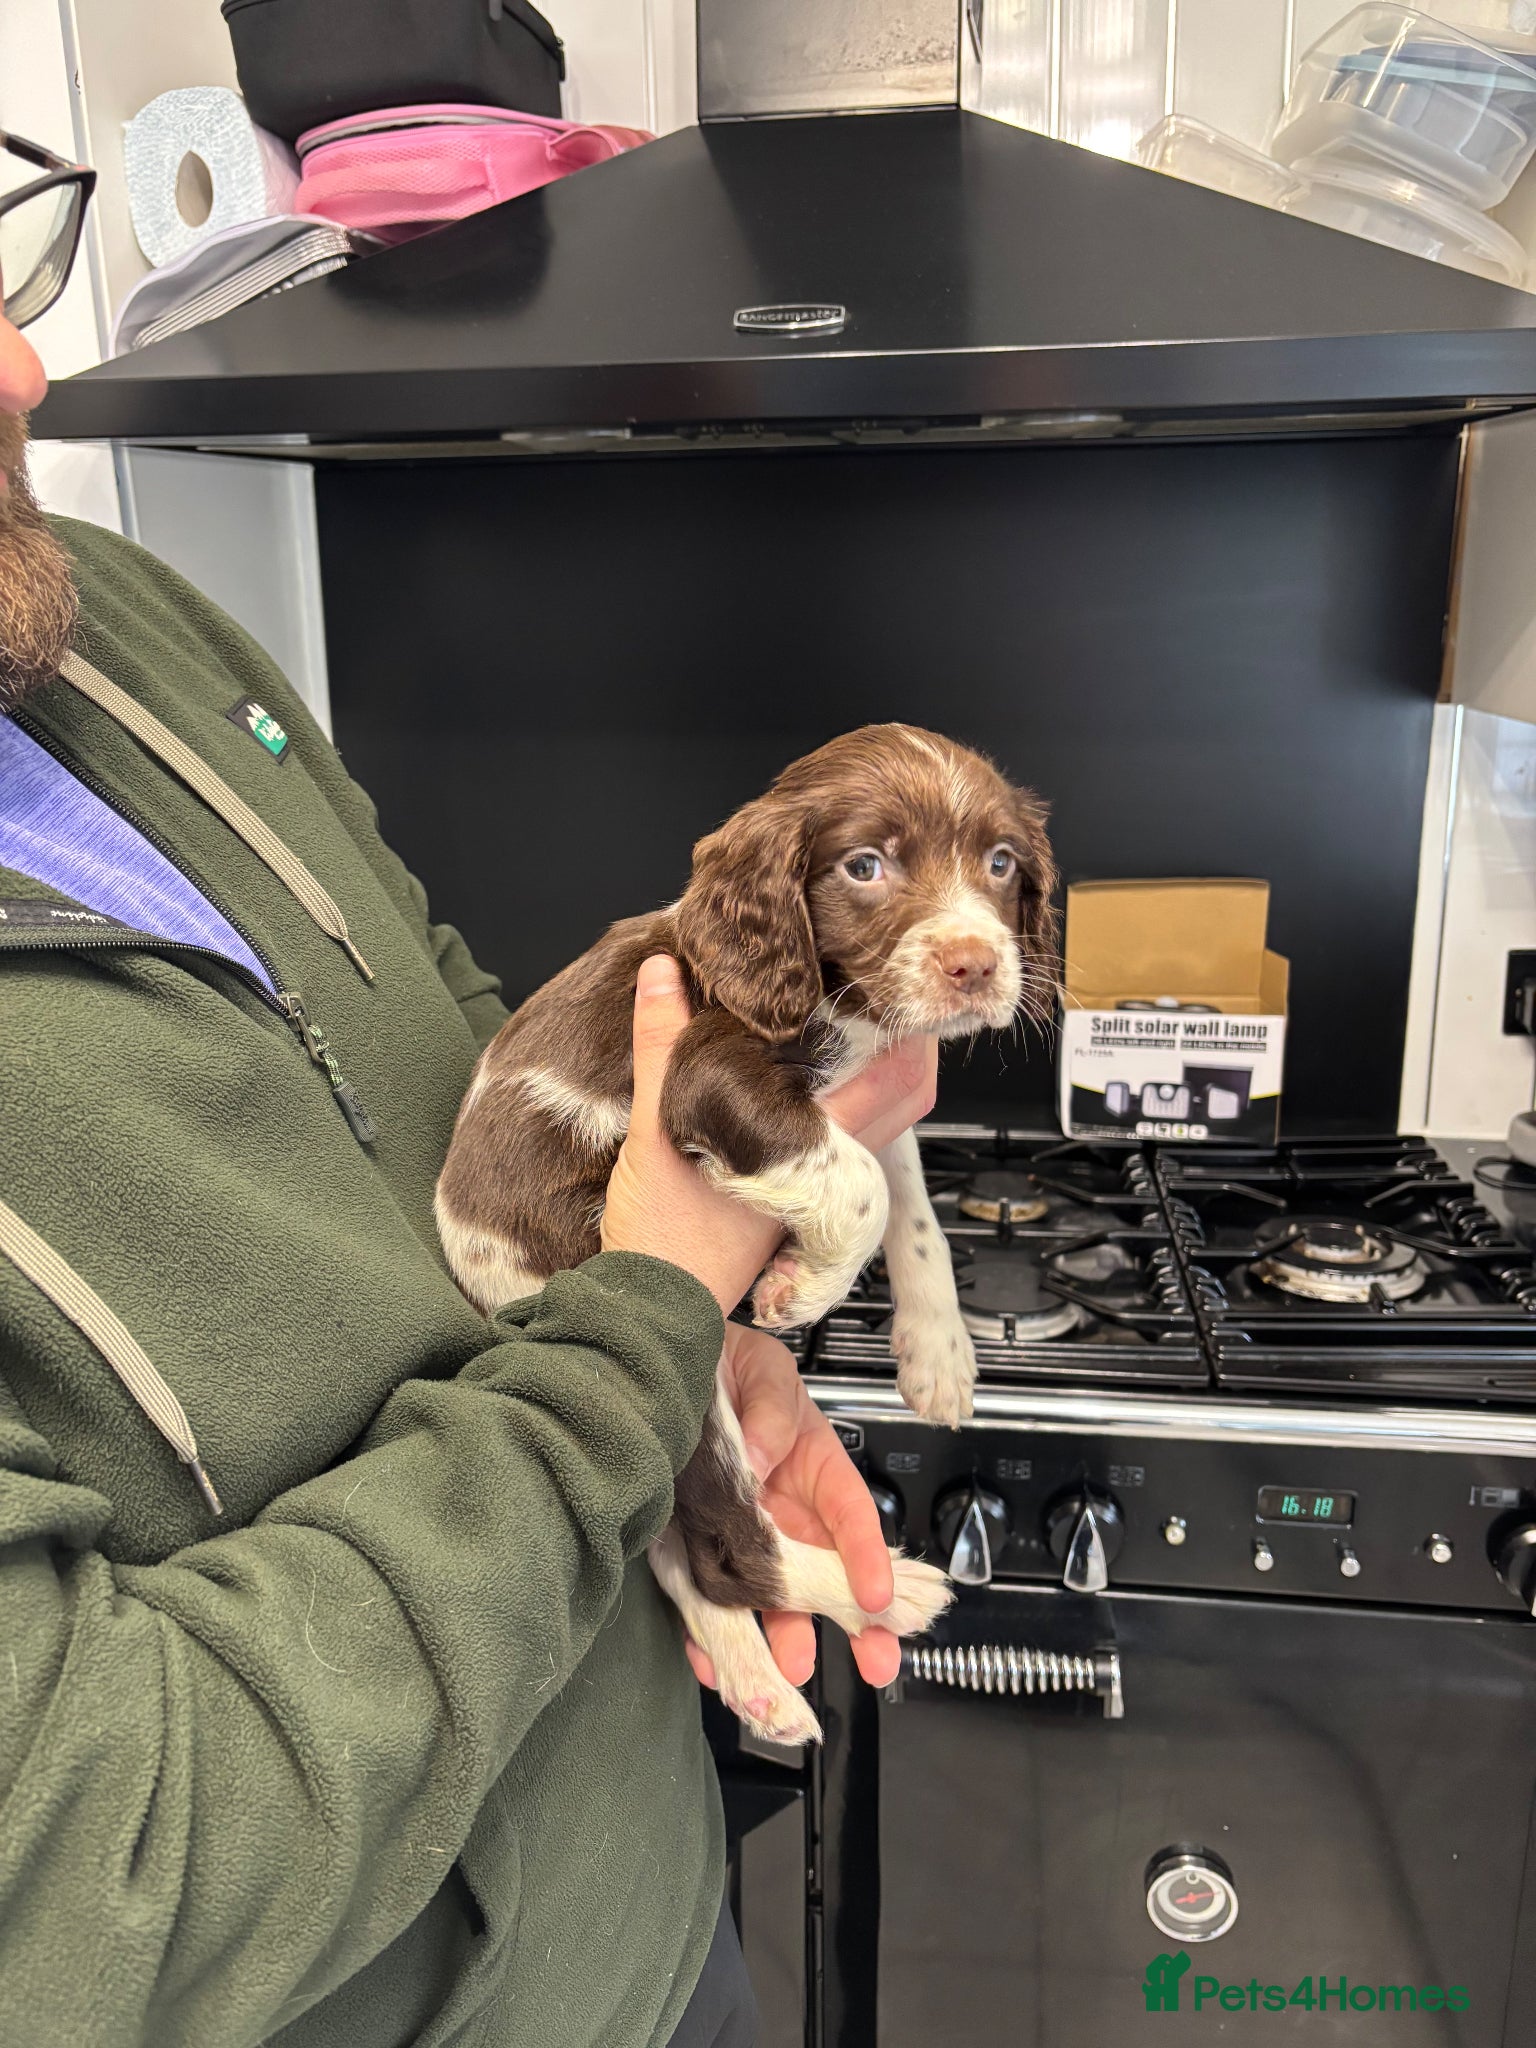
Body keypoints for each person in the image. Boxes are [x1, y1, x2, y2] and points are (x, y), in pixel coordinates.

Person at [0, 135, 937, 2048]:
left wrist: (695, 1350)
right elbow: (99, 1869)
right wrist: (642, 1333)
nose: (29, 372)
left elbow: (417, 978)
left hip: (656, 1919)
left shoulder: (88, 612)